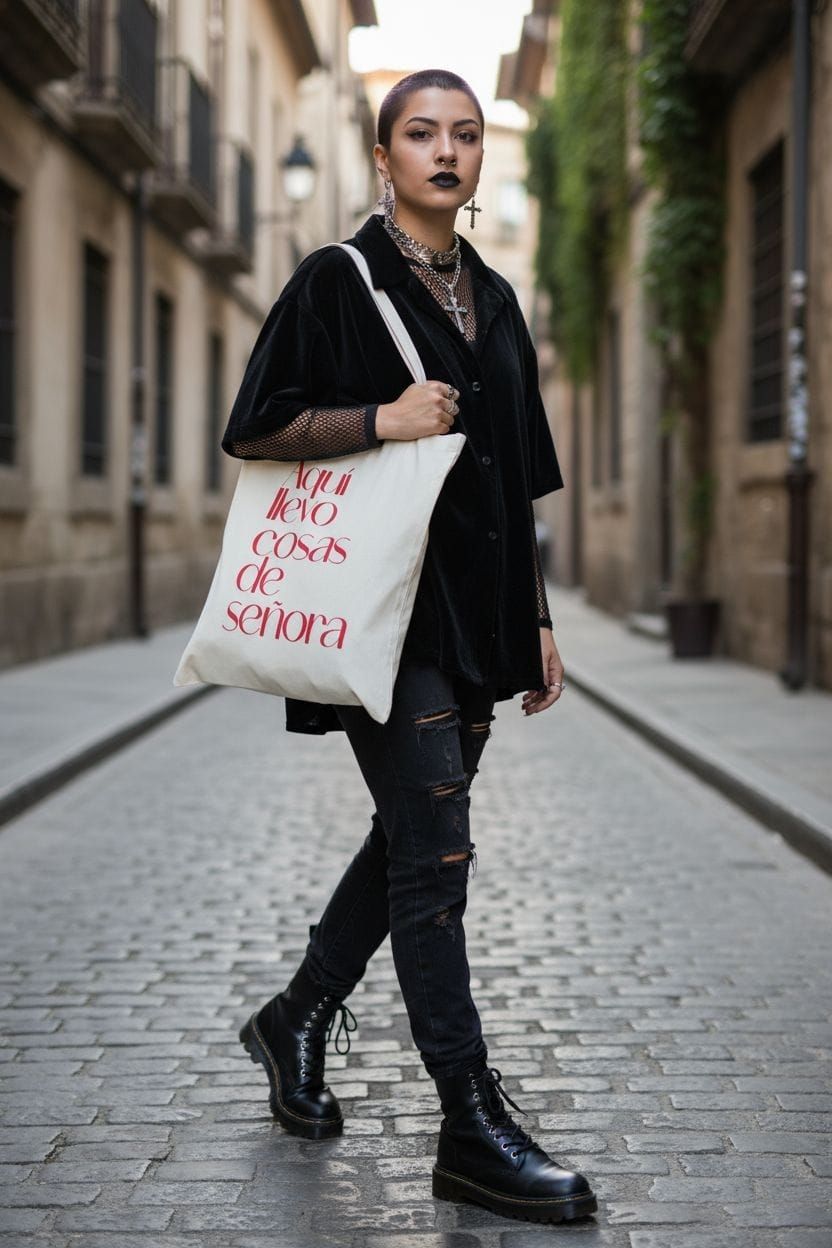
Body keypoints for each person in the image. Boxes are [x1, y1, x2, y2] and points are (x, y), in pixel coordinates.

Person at [227, 69, 597, 1226]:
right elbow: (257, 425)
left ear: (481, 160)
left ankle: (294, 1016)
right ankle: (468, 1124)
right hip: (383, 615)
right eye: (420, 133)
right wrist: (381, 419)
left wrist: (535, 618)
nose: (446, 150)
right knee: (436, 861)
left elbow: (515, 482)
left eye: (467, 134)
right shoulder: (337, 281)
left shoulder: (494, 298)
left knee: (411, 837)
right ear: (383, 157)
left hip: (478, 615)